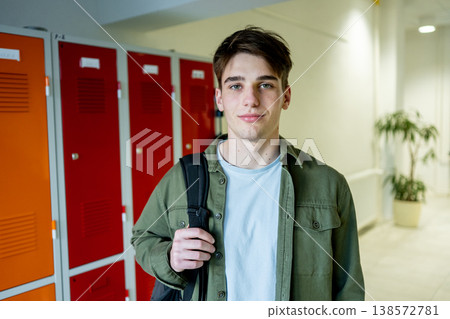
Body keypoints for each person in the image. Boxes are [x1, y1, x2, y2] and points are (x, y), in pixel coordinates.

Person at [131, 26, 365, 301]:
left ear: (286, 96)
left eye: (265, 85)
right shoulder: (183, 178)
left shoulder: (329, 185)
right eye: (235, 85)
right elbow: (143, 239)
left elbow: (348, 288)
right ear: (220, 98)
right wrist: (170, 257)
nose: (250, 100)